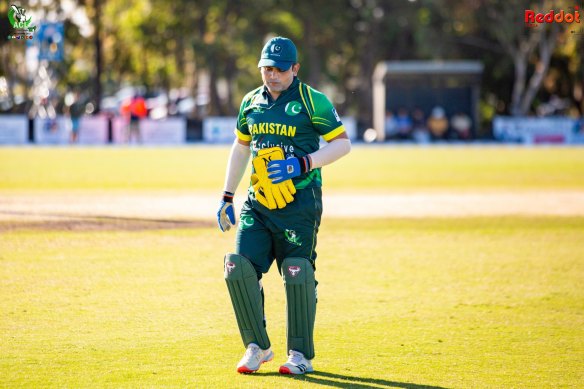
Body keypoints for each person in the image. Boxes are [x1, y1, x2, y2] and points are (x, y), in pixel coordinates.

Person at [216, 36, 351, 376]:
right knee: (238, 268)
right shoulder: (250, 101)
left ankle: (300, 355)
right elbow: (241, 146)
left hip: (300, 203)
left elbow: (342, 144)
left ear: (295, 68)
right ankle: (257, 347)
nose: (272, 75)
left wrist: (303, 164)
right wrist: (227, 196)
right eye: (266, 69)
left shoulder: (312, 101)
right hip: (258, 203)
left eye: (279, 69)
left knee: (297, 271)